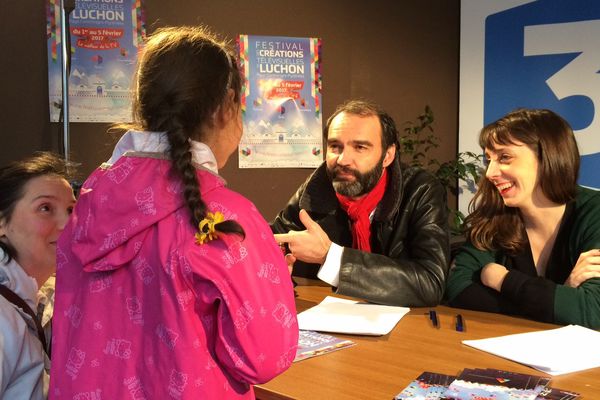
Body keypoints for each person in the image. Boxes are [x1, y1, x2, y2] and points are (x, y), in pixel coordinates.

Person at [49, 26, 298, 399]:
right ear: (224, 107)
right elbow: (263, 358)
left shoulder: (89, 198)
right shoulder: (226, 217)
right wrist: (265, 286)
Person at [272, 100, 450, 307]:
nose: (343, 160)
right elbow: (273, 243)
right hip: (334, 319)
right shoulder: (317, 188)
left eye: (360, 147)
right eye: (335, 146)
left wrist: (330, 257)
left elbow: (431, 282)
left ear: (388, 156)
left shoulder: (420, 190)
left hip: (408, 324)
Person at [446, 108, 600, 328]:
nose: (490, 173)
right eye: (489, 159)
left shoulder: (594, 212)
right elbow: (459, 288)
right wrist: (559, 298)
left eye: (505, 157)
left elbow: (593, 311)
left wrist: (501, 279)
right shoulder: (495, 215)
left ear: (548, 156)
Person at [0, 152, 76, 399]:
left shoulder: (41, 298)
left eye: (71, 210)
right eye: (45, 208)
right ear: (2, 223)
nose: (67, 223)